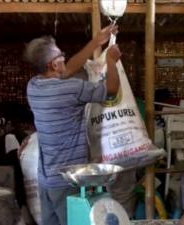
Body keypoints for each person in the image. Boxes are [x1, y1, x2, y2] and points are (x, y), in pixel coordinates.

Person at [24, 24, 120, 225]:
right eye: (61, 56)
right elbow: (111, 90)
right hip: (67, 180)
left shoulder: (33, 86)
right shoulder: (72, 89)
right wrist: (111, 62)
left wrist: (96, 42)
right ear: (53, 65)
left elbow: (67, 70)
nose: (64, 59)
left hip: (46, 180)